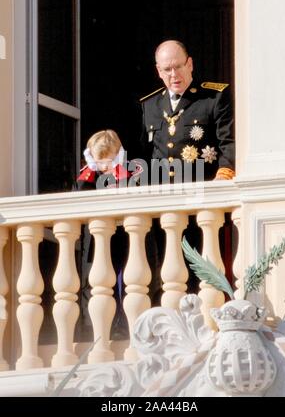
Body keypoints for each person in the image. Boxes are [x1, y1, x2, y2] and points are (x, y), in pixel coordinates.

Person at [76, 130, 144, 340]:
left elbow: (136, 190)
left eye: (108, 160)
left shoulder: (130, 170)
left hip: (125, 237)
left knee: (126, 282)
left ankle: (123, 323)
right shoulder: (89, 173)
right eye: (100, 161)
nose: (104, 166)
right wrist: (91, 169)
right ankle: (103, 324)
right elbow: (79, 192)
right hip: (101, 239)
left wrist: (118, 170)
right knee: (102, 281)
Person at [140, 40, 235, 182]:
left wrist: (223, 176)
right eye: (167, 69)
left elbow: (228, 142)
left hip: (203, 188)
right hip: (162, 193)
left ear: (189, 64)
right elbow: (143, 152)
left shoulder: (214, 98)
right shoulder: (150, 104)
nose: (174, 74)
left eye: (178, 66)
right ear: (159, 71)